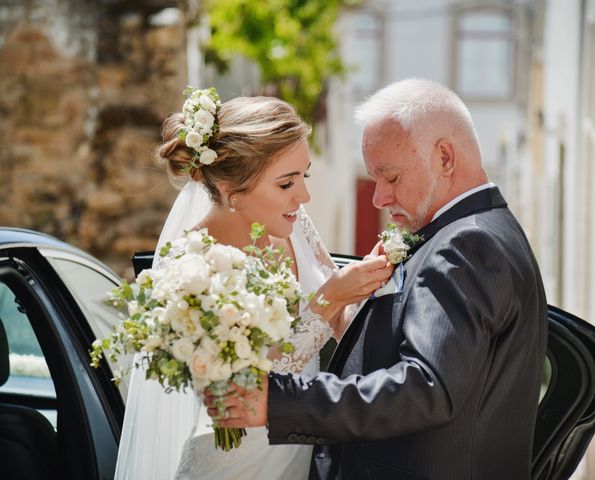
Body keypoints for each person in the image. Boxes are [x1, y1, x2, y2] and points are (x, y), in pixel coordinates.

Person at [206, 78, 548, 479]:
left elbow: (424, 388)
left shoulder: (468, 244)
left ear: (445, 158)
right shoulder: (469, 232)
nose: (378, 198)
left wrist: (279, 402)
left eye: (391, 177)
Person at [114, 89, 393, 479]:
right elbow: (234, 391)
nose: (303, 195)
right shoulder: (190, 264)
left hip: (300, 451)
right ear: (232, 192)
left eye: (304, 176)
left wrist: (371, 282)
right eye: (286, 183)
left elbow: (342, 319)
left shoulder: (296, 224)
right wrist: (327, 300)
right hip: (237, 464)